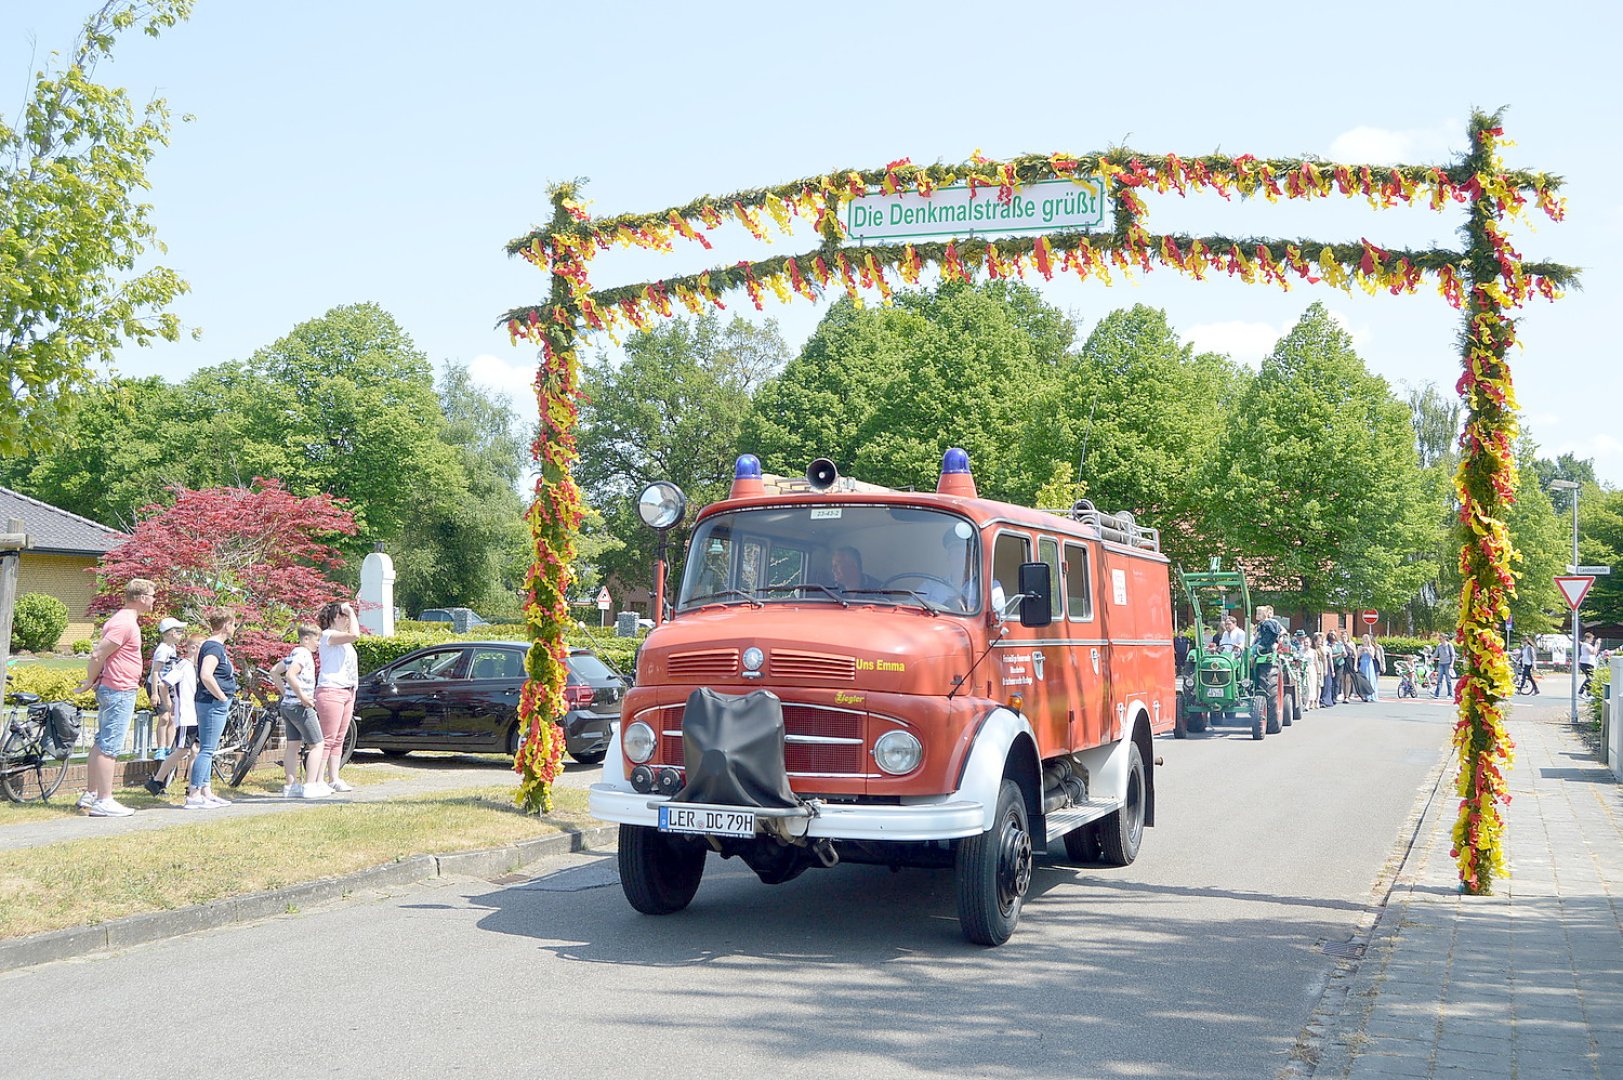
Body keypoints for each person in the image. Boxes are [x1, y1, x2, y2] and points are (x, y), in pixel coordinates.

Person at [75, 578, 157, 817]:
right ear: (141, 598)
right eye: (152, 596)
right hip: (119, 689)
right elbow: (98, 653)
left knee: (102, 742)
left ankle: (91, 794)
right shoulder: (124, 623)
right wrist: (89, 681)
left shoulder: (126, 621)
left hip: (118, 688)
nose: (153, 601)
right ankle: (104, 800)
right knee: (110, 746)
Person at [270, 624, 330, 799]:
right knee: (318, 745)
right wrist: (303, 697)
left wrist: (285, 692)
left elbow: (274, 672)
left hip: (287, 705)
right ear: (306, 639)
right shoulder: (303, 654)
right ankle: (310, 785)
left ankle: (291, 785)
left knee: (293, 745)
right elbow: (290, 675)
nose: (318, 644)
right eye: (316, 640)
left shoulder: (293, 653)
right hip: (300, 706)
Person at [187, 609, 239, 809]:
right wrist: (222, 696)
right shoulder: (213, 647)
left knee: (210, 748)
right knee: (206, 749)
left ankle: (205, 790)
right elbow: (206, 675)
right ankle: (194, 794)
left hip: (213, 702)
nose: (234, 629)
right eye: (233, 624)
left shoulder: (215, 647)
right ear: (226, 624)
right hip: (212, 703)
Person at [145, 635, 201, 795]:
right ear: (192, 648)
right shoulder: (183, 665)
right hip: (186, 715)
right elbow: (164, 683)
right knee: (182, 750)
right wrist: (169, 704)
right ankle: (157, 780)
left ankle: (192, 787)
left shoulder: (194, 668)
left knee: (195, 750)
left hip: (194, 715)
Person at [315, 601, 361, 793]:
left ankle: (334, 777)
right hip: (331, 690)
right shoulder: (327, 635)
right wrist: (350, 610)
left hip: (347, 690)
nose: (346, 619)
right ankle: (317, 779)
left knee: (339, 738)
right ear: (333, 618)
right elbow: (355, 635)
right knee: (328, 737)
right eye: (342, 616)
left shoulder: (342, 640)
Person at [147, 617, 187, 759]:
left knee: (172, 717)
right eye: (179, 631)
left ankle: (170, 747)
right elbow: (155, 671)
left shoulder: (172, 648)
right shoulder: (162, 650)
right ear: (171, 633)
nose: (182, 634)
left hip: (168, 685)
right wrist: (154, 693)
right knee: (164, 717)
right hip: (157, 686)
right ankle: (161, 748)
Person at [1433, 631, 1457, 700]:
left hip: (1447, 664)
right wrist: (1430, 659)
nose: (1439, 640)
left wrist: (1452, 664)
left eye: (1440, 639)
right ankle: (1436, 694)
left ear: (1444, 638)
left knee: (1448, 680)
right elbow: (1435, 654)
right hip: (1441, 664)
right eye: (1439, 639)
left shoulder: (1449, 645)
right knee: (1439, 679)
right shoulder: (1439, 646)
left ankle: (1450, 694)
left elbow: (1453, 655)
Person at [1321, 632, 1341, 708]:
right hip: (1320, 666)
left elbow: (1330, 660)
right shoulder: (1317, 647)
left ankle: (1326, 700)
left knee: (1328, 684)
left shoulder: (1328, 648)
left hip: (1327, 667)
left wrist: (1332, 670)